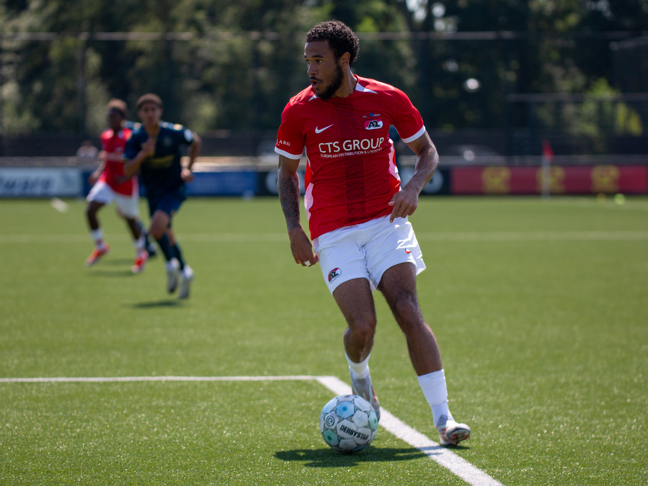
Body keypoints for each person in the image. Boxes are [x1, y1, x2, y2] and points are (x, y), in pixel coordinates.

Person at [276, 21, 470, 446]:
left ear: (344, 60)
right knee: (363, 326)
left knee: (408, 309)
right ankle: (359, 373)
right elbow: (287, 173)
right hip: (333, 230)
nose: (310, 69)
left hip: (386, 222)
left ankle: (444, 418)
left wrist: (413, 187)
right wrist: (293, 229)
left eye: (319, 60)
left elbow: (427, 150)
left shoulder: (387, 97)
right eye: (307, 60)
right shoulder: (298, 110)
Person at [123, 94, 201, 299]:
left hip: (174, 189)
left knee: (156, 228)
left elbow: (195, 141)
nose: (150, 113)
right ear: (140, 114)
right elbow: (127, 169)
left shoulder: (172, 131)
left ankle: (170, 266)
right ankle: (184, 270)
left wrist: (188, 168)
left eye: (153, 109)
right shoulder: (136, 137)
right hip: (153, 192)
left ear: (160, 111)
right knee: (165, 232)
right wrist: (143, 154)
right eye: (146, 110)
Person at [85, 99, 152, 273]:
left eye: (114, 117)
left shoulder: (131, 137)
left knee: (131, 221)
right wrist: (98, 173)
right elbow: (107, 159)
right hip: (108, 181)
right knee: (90, 210)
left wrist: (126, 176)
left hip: (126, 184)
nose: (111, 120)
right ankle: (100, 246)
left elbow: (139, 164)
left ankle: (141, 253)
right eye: (109, 117)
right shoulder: (105, 136)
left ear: (122, 118)